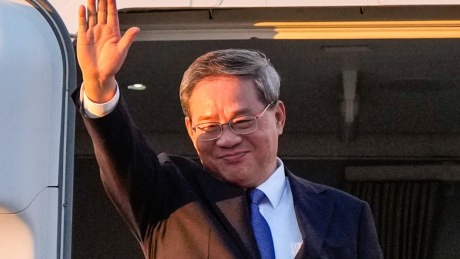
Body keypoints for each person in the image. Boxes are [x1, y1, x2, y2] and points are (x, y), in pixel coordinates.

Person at [75, 0, 383, 258]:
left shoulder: (346, 214)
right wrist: (100, 88)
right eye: (209, 126)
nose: (227, 139)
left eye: (242, 122)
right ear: (191, 130)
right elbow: (122, 156)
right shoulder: (166, 196)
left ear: (278, 117)